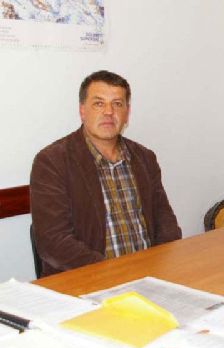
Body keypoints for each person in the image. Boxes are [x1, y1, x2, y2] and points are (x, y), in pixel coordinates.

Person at [30, 70, 181, 276]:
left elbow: (166, 223)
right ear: (82, 110)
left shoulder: (145, 158)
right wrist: (113, 273)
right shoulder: (52, 161)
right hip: (88, 281)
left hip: (149, 274)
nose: (109, 112)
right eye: (99, 103)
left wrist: (161, 267)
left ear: (127, 113)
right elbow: (53, 242)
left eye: (117, 104)